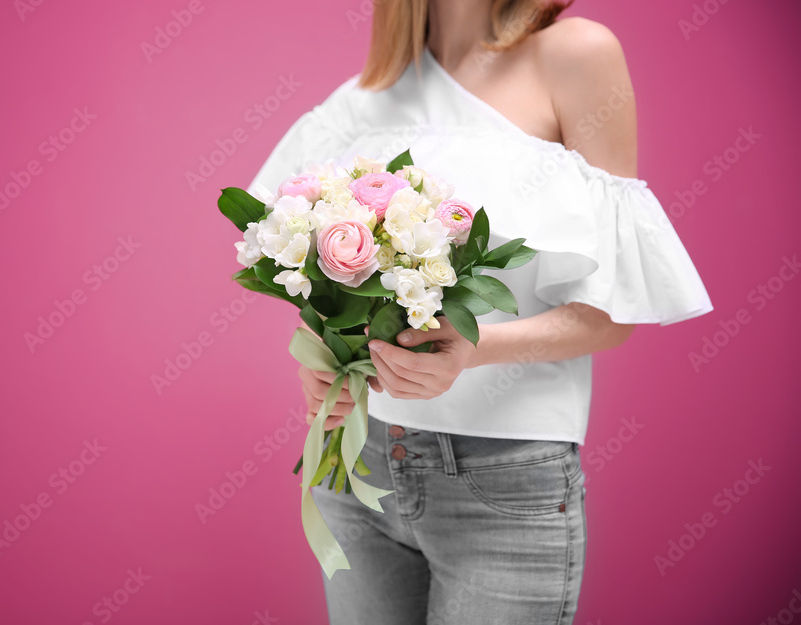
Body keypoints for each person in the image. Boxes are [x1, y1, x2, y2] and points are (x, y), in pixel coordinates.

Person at [247, 0, 713, 622]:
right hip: (359, 468)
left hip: (505, 481)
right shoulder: (368, 94)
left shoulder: (575, 56)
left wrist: (479, 349)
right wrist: (327, 363)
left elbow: (611, 314)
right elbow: (307, 277)